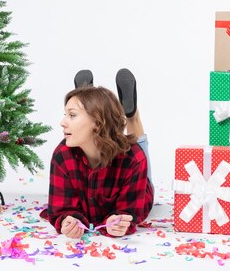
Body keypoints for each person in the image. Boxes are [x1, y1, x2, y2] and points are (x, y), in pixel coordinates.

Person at [41, 68, 154, 238]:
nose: (62, 123)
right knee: (131, 149)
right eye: (66, 115)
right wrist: (68, 221)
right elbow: (61, 209)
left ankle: (131, 115)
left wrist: (118, 222)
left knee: (137, 146)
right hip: (102, 134)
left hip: (134, 172)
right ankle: (89, 97)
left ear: (97, 122)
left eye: (72, 115)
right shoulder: (62, 155)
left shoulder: (134, 159)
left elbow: (130, 212)